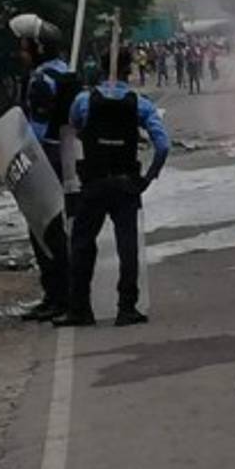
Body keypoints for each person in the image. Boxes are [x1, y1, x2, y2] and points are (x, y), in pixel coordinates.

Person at [54, 49, 170, 327]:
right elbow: (163, 144)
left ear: (99, 69)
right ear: (129, 71)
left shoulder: (84, 101)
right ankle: (126, 307)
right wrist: (148, 177)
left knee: (82, 243)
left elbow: (73, 127)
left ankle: (80, 308)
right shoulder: (140, 104)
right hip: (126, 184)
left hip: (93, 183)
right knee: (127, 246)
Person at [10, 14, 78, 323]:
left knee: (44, 230)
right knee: (61, 230)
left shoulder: (41, 81)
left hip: (46, 159)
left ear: (36, 48)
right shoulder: (68, 74)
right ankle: (65, 295)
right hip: (70, 155)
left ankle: (57, 296)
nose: (20, 52)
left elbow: (36, 132)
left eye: (23, 46)